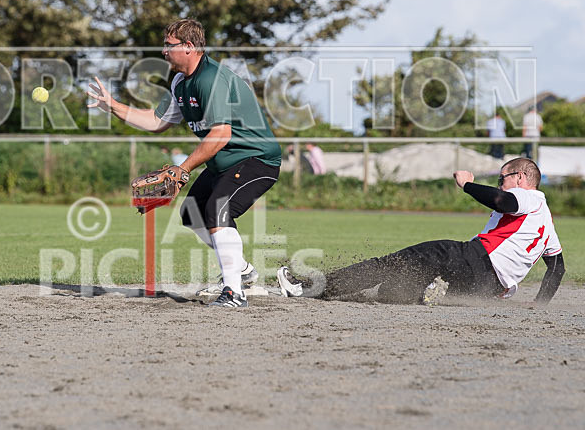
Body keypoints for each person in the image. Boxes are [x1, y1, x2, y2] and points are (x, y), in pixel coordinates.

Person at [88, 18, 282, 308]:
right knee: (192, 213)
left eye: (169, 45)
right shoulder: (180, 82)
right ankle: (242, 271)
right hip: (224, 163)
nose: (164, 51)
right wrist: (114, 106)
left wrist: (183, 169)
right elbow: (157, 121)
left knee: (217, 209)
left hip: (256, 158)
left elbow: (221, 134)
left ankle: (234, 292)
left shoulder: (211, 79)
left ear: (189, 46)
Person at [278, 158, 564, 305]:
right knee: (396, 288)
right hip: (487, 289)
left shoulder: (529, 197)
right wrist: (540, 304)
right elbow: (557, 267)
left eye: (503, 178)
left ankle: (306, 288)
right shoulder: (547, 223)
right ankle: (419, 294)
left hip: (475, 261)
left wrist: (467, 185)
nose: (500, 183)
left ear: (521, 177)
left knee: (389, 264)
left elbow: (503, 201)